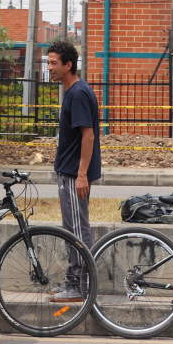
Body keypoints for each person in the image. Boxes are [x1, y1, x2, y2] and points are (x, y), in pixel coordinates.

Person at [44, 40, 100, 302]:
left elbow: (87, 137)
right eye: (48, 62)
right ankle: (72, 282)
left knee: (77, 231)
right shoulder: (75, 91)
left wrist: (81, 174)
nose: (49, 67)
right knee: (72, 228)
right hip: (69, 171)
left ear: (69, 64)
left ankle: (78, 286)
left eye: (54, 63)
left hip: (72, 173)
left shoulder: (77, 93)